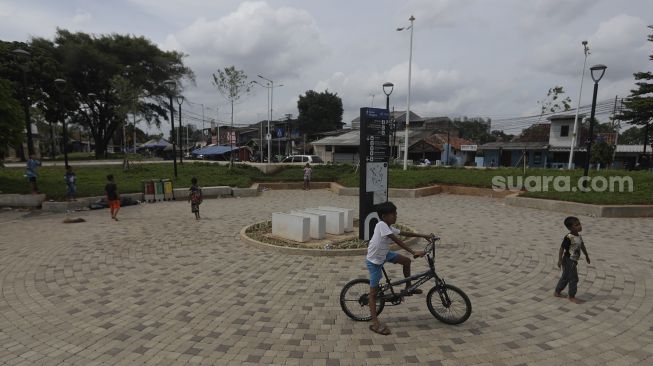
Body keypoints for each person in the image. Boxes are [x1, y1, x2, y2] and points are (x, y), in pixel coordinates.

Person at [367, 201, 431, 335]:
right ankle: (375, 323)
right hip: (374, 261)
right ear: (384, 216)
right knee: (373, 294)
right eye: (393, 214)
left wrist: (424, 235)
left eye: (396, 213)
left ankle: (408, 286)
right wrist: (413, 252)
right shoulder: (381, 225)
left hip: (384, 254)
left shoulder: (388, 226)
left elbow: (404, 233)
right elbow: (397, 240)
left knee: (406, 262)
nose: (395, 216)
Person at [554, 216, 590, 304]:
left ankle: (557, 292)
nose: (579, 226)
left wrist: (586, 255)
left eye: (579, 224)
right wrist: (559, 260)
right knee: (574, 278)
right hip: (568, 260)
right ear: (570, 228)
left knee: (566, 277)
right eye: (576, 225)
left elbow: (582, 246)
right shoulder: (569, 237)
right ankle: (572, 296)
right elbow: (562, 248)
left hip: (573, 261)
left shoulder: (579, 236)